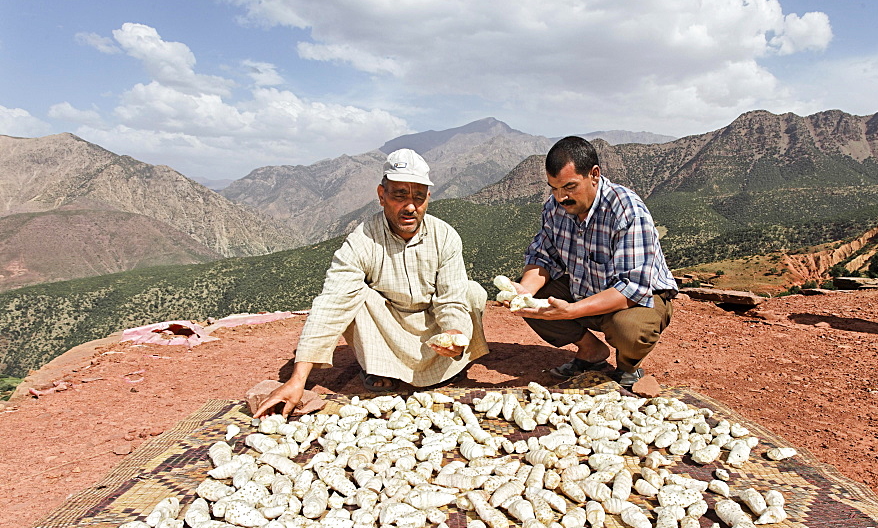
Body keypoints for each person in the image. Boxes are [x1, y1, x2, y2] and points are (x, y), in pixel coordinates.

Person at [253, 148, 488, 417]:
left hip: (433, 323)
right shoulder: (362, 240)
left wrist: (456, 333)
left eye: (418, 197)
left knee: (472, 292)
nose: (410, 206)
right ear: (381, 196)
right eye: (400, 195)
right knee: (356, 296)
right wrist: (297, 380)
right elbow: (332, 301)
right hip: (388, 325)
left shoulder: (445, 236)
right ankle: (381, 367)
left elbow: (451, 297)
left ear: (427, 199)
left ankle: (448, 367)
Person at [509, 136, 677, 388]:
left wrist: (570, 311)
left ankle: (628, 367)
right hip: (584, 291)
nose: (560, 198)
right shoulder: (555, 208)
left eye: (569, 187)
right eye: (553, 188)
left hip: (635, 301)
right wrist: (525, 292)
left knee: (630, 329)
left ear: (594, 174)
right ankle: (590, 351)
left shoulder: (626, 209)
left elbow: (632, 288)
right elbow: (542, 257)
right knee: (530, 300)